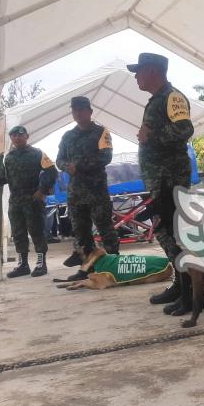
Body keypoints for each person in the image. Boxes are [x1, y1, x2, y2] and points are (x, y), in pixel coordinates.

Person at [127, 53, 197, 314]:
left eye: (139, 71)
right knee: (165, 233)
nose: (135, 76)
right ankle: (180, 284)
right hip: (161, 180)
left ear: (153, 71)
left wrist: (150, 135)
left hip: (171, 180)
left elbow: (184, 129)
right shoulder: (157, 100)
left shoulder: (172, 97)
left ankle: (191, 294)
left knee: (177, 235)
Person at [56, 96, 119, 279]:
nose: (78, 113)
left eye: (82, 109)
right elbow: (59, 160)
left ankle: (114, 265)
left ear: (90, 111)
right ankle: (87, 269)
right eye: (75, 110)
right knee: (81, 232)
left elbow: (106, 157)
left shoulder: (101, 132)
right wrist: (68, 167)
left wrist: (80, 165)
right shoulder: (67, 136)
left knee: (105, 228)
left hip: (96, 191)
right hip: (76, 192)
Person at [0, 126, 58, 278]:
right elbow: (5, 178)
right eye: (13, 136)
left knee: (36, 231)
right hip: (15, 200)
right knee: (18, 232)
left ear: (27, 136)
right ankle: (23, 264)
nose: (17, 138)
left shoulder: (37, 153)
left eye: (20, 135)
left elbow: (52, 171)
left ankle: (41, 263)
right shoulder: (9, 157)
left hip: (33, 199)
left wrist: (42, 190)